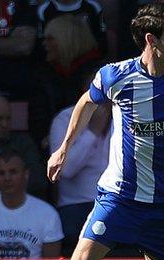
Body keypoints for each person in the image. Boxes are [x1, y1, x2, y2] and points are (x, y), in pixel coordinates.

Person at [47, 3, 164, 259]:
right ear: (152, 40)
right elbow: (86, 102)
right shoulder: (115, 76)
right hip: (120, 199)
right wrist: (63, 149)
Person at [48, 82, 110, 256]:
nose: (103, 98)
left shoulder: (123, 118)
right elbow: (65, 170)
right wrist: (92, 131)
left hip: (115, 202)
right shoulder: (64, 119)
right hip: (75, 206)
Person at [0, 150, 63, 258]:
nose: (7, 178)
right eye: (1, 173)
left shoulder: (48, 215)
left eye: (13, 172)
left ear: (26, 174)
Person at [31, 14, 103, 147]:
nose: (44, 44)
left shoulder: (97, 74)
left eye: (50, 39)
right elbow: (38, 120)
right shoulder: (45, 75)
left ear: (67, 40)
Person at [36, 0, 107, 55]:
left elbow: (101, 38)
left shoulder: (92, 7)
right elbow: (41, 42)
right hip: (55, 62)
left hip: (88, 60)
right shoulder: (44, 10)